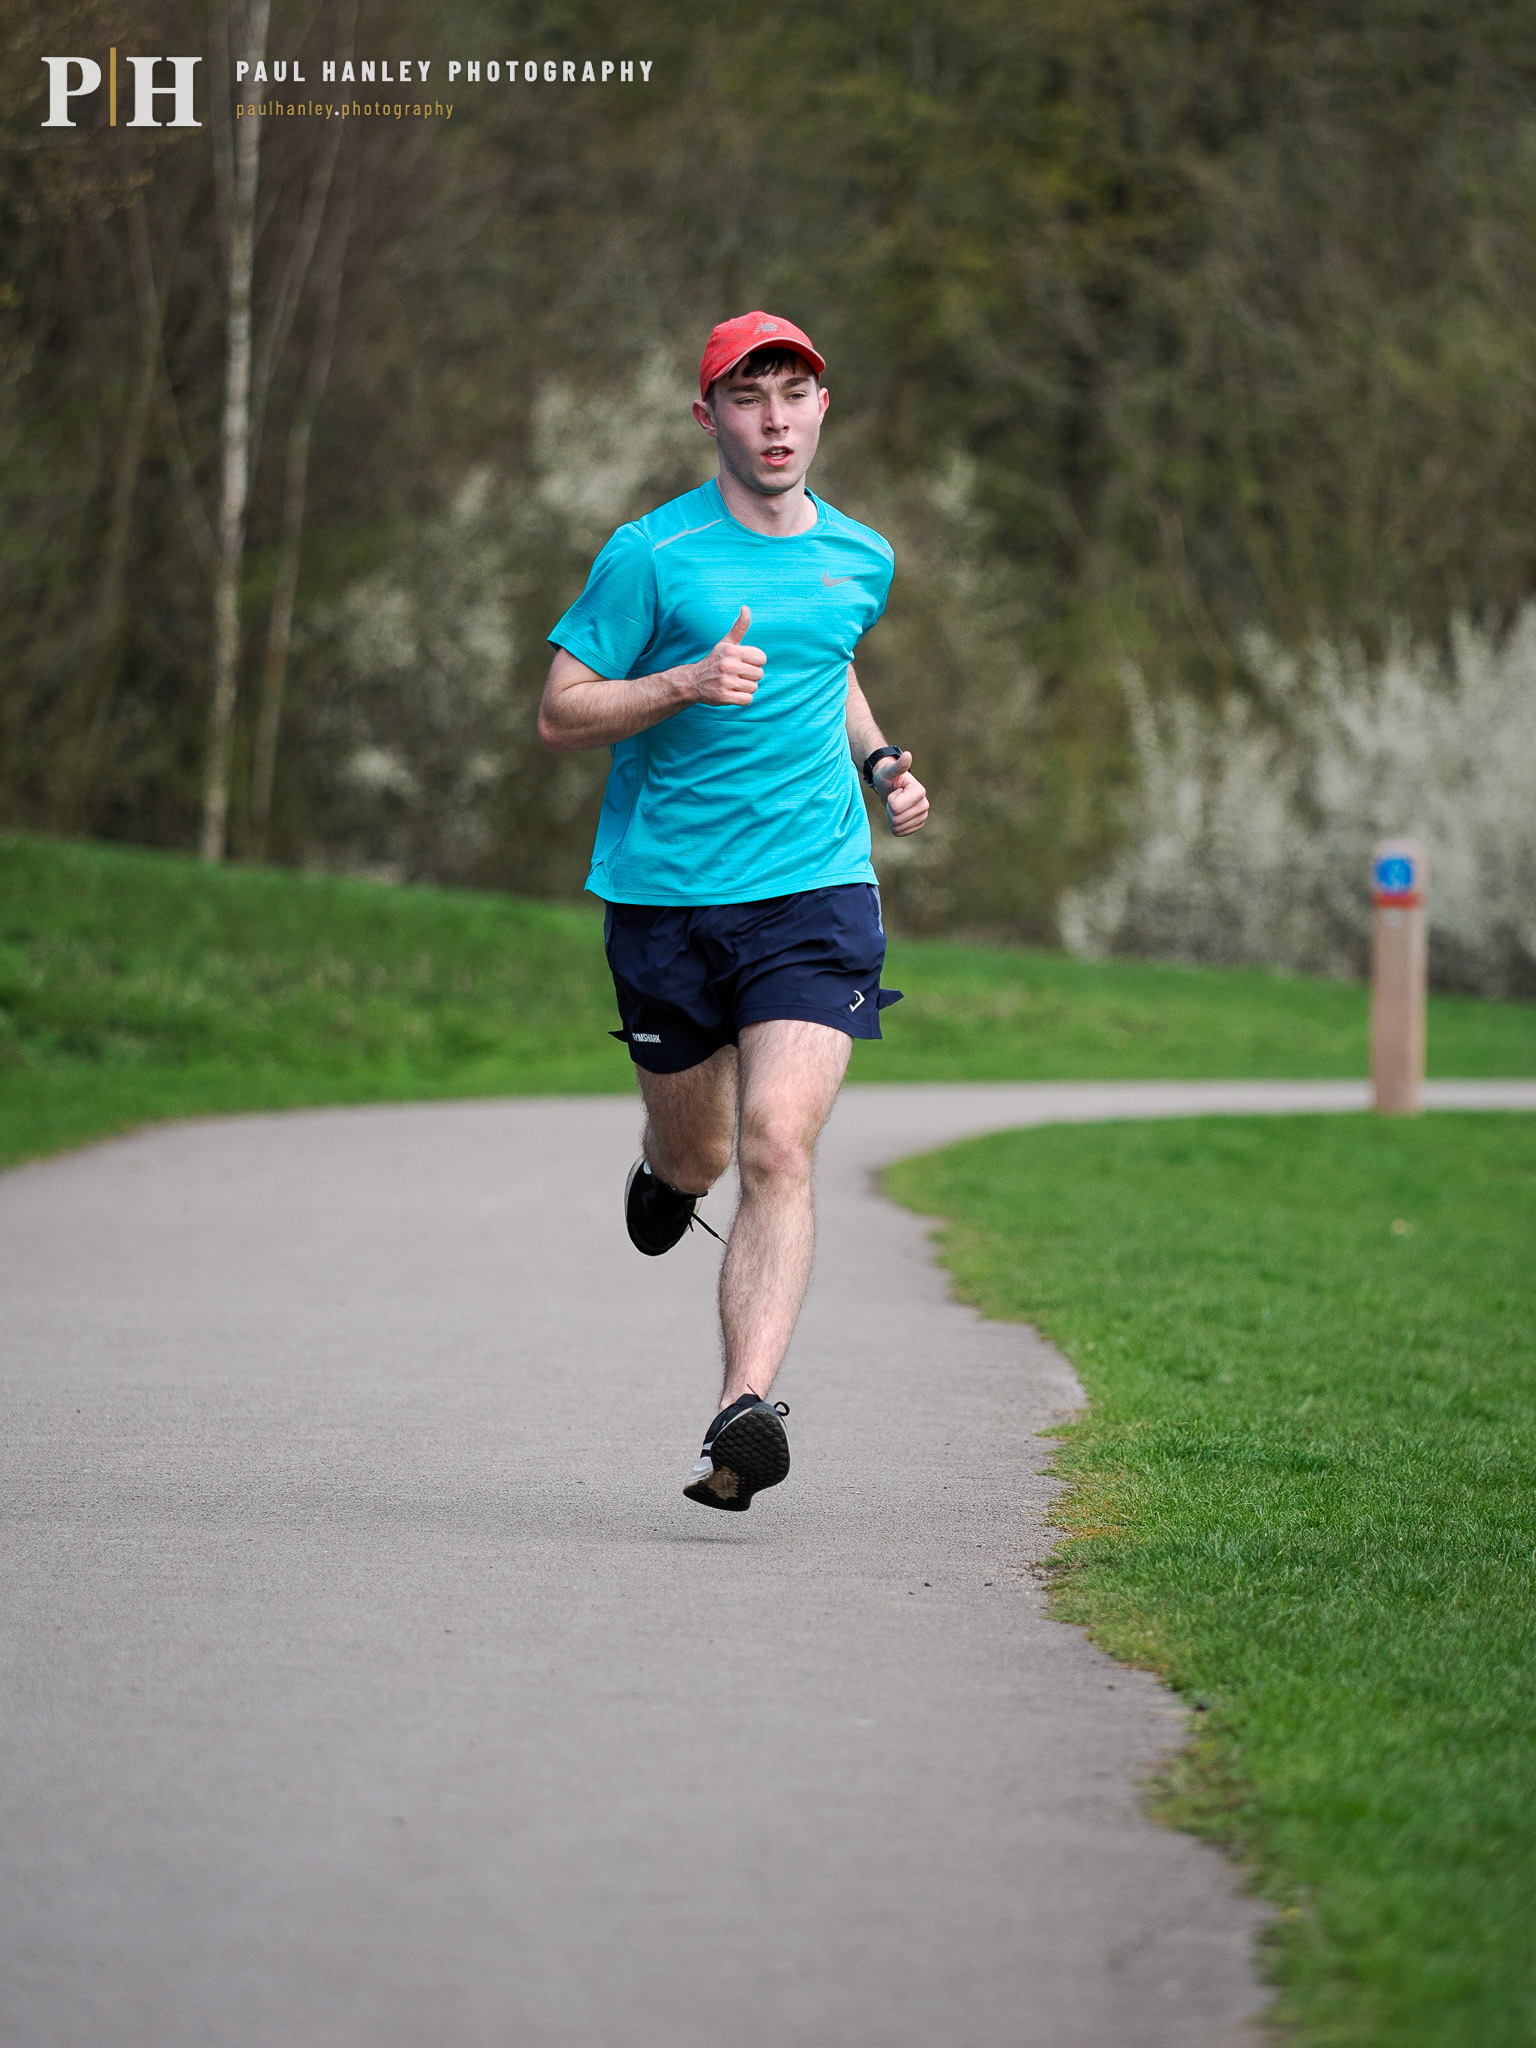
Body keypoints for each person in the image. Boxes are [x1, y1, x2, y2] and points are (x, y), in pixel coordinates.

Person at [538, 311, 929, 1512]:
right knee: (703, 1149)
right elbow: (562, 709)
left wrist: (880, 760)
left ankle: (742, 1408)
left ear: (822, 408)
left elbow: (829, 658)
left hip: (816, 890)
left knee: (777, 1142)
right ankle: (667, 1173)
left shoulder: (861, 555)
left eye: (793, 395)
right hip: (667, 901)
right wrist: (685, 681)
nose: (774, 420)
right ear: (708, 416)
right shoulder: (651, 556)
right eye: (748, 397)